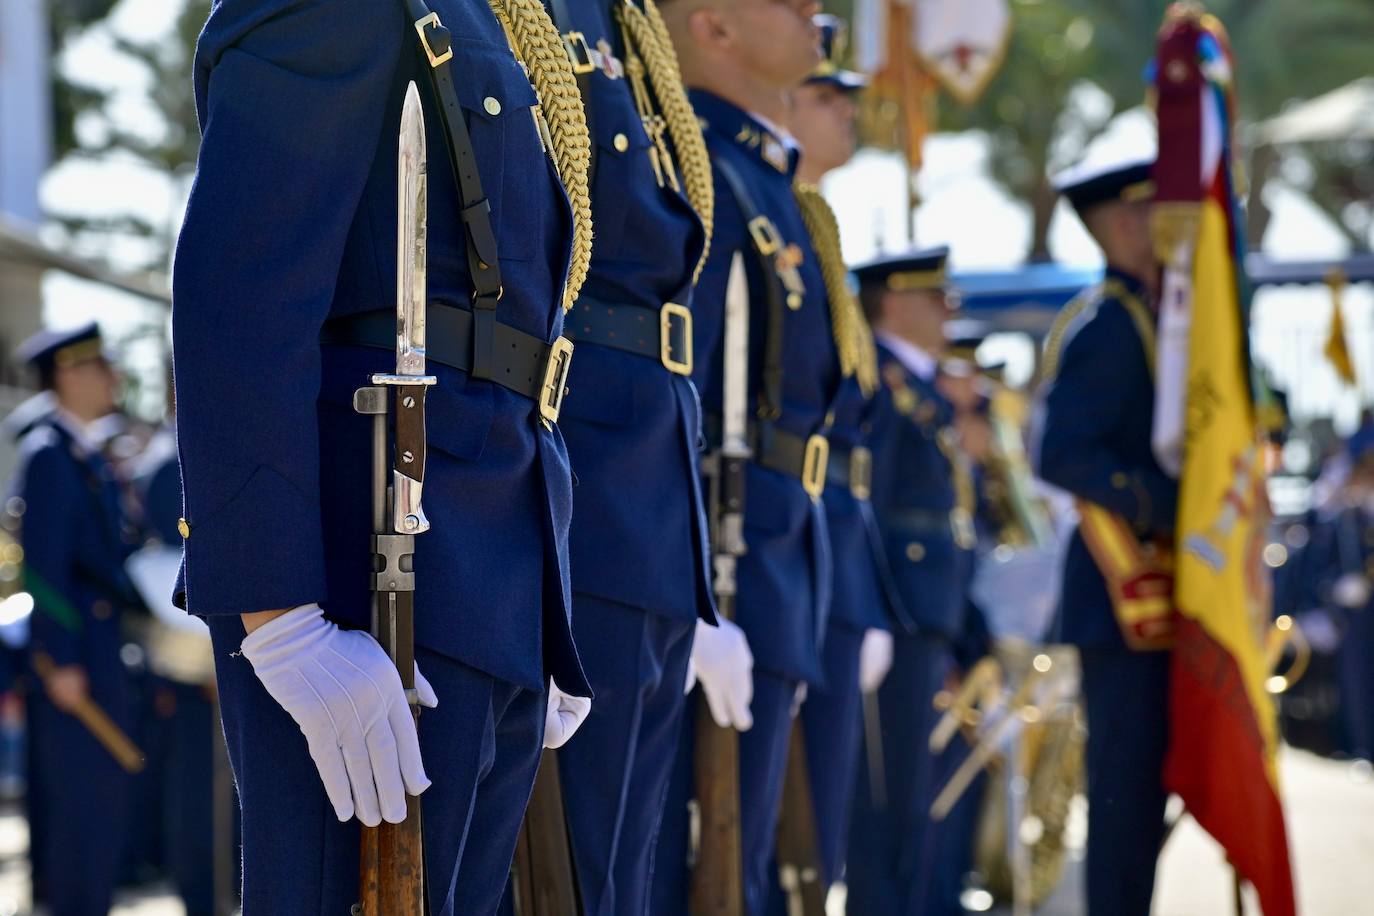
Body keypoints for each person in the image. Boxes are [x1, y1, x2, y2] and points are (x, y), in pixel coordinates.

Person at [171, 1, 596, 911]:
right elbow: (240, 298)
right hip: (366, 554)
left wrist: (544, 596)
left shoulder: (509, 14)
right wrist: (278, 615)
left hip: (497, 550)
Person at [652, 2, 839, 913]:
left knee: (748, 866)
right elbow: (676, 399)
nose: (817, 13)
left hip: (774, 551)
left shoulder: (767, 181)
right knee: (686, 869)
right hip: (720, 559)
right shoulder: (707, 172)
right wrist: (687, 595)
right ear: (712, 26)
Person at [542, 1, 717, 912]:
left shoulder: (625, 22)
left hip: (653, 464)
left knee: (625, 864)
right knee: (571, 860)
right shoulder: (548, 13)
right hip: (588, 453)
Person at [770, 14, 911, 905]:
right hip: (773, 543)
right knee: (746, 828)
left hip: (831, 552)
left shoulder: (816, 222)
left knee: (818, 824)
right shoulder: (765, 206)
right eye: (827, 95)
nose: (846, 110)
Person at [1035, 159, 1176, 916]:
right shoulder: (1110, 326)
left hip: (1146, 600)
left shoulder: (1153, 317)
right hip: (1119, 598)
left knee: (1144, 798)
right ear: (1117, 224)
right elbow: (1060, 453)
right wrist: (1163, 503)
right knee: (1124, 800)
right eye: (1149, 209)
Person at [846, 246, 975, 915]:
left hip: (927, 608)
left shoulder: (920, 387)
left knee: (916, 787)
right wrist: (871, 609)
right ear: (892, 301)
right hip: (898, 608)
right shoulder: (885, 381)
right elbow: (870, 505)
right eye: (936, 298)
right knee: (889, 790)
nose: (950, 310)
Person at [9, 322, 141, 916]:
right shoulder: (48, 456)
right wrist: (59, 660)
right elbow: (43, 571)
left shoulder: (80, 453)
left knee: (100, 811)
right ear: (67, 374)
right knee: (77, 815)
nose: (112, 378)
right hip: (74, 666)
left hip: (97, 651)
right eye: (100, 367)